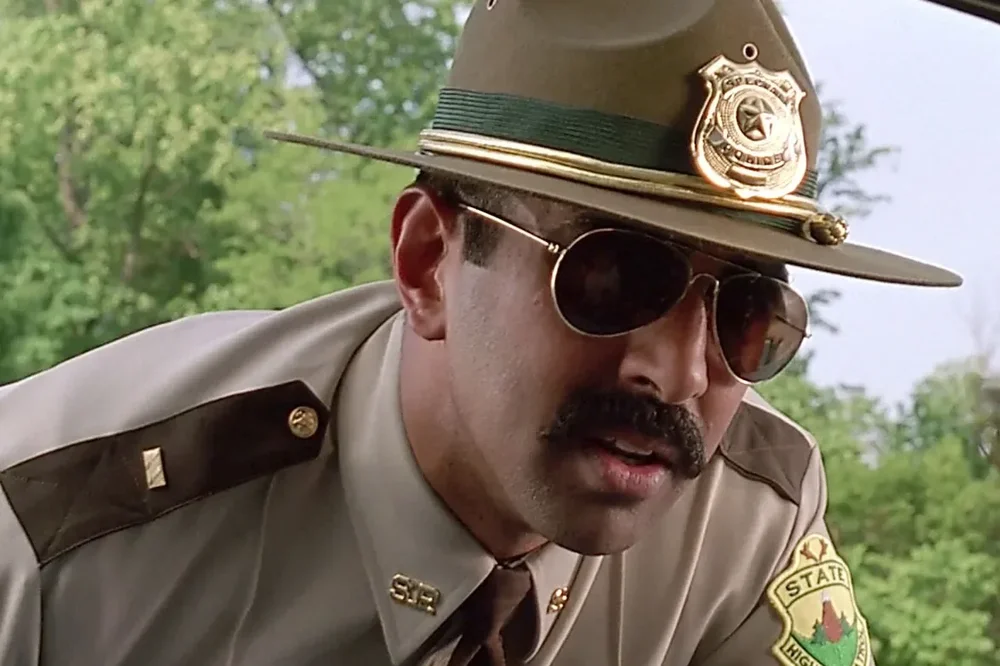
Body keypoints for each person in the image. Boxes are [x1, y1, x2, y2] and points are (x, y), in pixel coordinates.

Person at [0, 0, 961, 665]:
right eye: (613, 278)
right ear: (429, 264)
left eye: (746, 314)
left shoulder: (746, 527)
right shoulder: (60, 527)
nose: (677, 373)